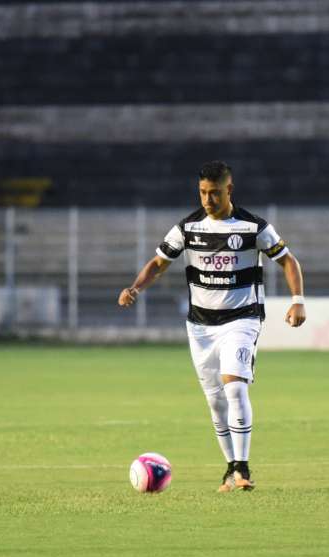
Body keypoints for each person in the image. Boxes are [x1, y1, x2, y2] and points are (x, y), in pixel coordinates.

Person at [118, 160, 306, 491]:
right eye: (203, 193)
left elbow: (288, 260)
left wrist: (297, 300)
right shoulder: (187, 228)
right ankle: (229, 470)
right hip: (201, 327)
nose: (208, 200)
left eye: (214, 193)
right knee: (215, 401)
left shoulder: (253, 227)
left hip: (242, 318)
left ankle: (242, 468)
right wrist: (134, 287)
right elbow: (159, 263)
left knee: (235, 387)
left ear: (229, 190)